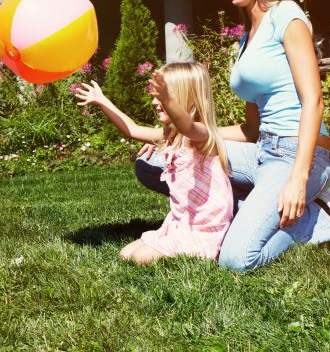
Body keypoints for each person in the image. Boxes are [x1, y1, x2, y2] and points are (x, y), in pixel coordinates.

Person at [136, 0, 330, 271]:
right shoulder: (246, 40)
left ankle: (322, 221)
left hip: (301, 154)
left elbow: (313, 100)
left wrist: (298, 179)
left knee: (236, 260)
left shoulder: (287, 16)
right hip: (262, 151)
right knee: (156, 163)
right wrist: (177, 138)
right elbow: (251, 129)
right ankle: (255, 208)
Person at [75, 62, 234, 264]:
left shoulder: (201, 136)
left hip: (203, 228)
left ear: (187, 98)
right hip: (180, 223)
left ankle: (202, 252)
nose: (154, 102)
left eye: (162, 96)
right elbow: (131, 130)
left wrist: (166, 100)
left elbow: (188, 127)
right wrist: (102, 101)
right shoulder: (170, 135)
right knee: (125, 254)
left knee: (140, 258)